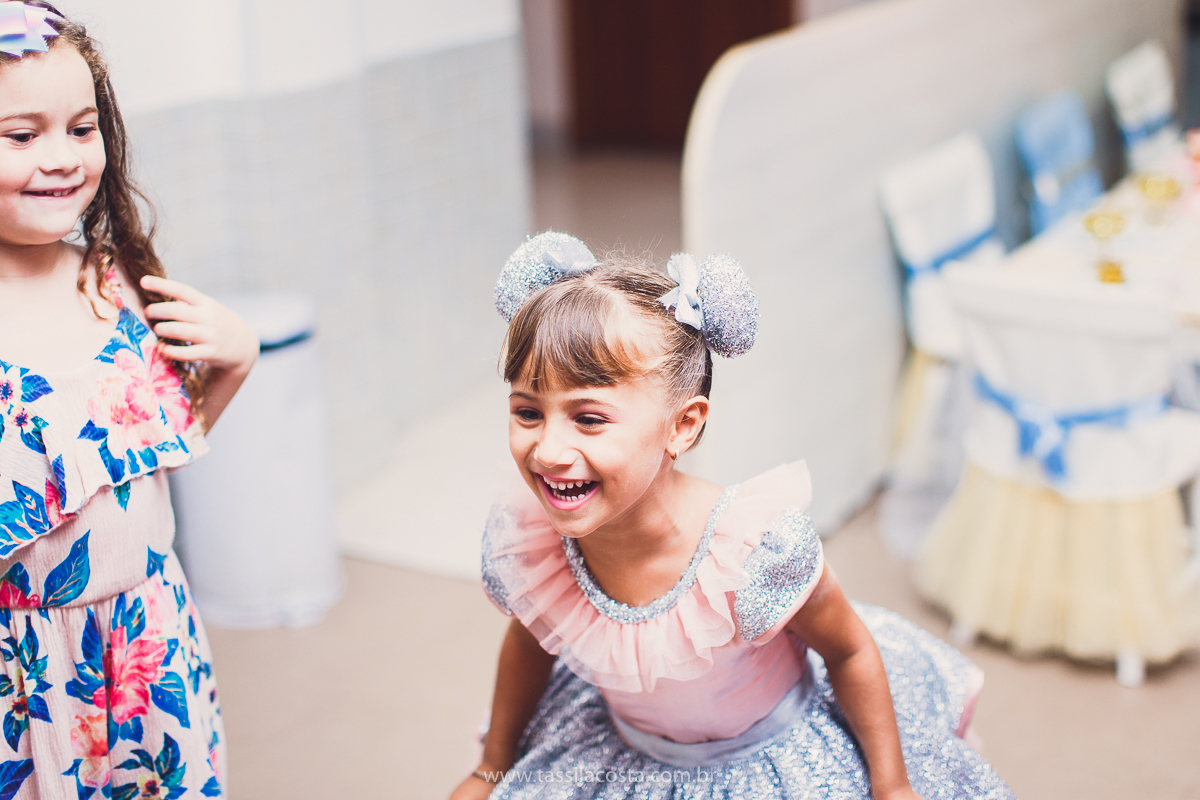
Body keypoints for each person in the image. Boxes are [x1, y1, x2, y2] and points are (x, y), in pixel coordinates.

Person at [449, 232, 1016, 800]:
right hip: (628, 749)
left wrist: (891, 786)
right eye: (527, 412)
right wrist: (491, 768)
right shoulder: (532, 537)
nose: (547, 451)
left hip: (765, 756)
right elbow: (530, 641)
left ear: (683, 425)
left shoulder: (754, 552)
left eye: (589, 419)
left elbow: (849, 650)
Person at [0, 3, 258, 796]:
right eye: (21, 135)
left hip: (152, 644)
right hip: (29, 677)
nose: (63, 157)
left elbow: (139, 462)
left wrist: (234, 365)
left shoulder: (115, 286)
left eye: (82, 129)